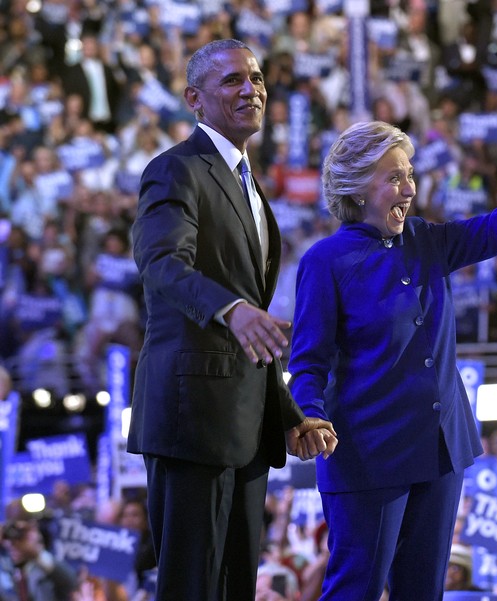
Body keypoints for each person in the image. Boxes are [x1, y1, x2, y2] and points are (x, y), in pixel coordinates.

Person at [288, 119, 497, 600]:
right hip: (366, 456)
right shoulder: (324, 261)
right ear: (356, 188)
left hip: (440, 451)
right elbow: (308, 360)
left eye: (410, 174)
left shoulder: (425, 240)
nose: (409, 188)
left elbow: (492, 231)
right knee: (357, 590)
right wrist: (309, 415)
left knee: (423, 591)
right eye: (393, 177)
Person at [127, 39, 338, 601]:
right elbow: (162, 263)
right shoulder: (175, 171)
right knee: (192, 587)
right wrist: (230, 307)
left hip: (246, 427)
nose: (251, 89)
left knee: (237, 587)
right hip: (190, 419)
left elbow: (255, 334)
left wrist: (288, 413)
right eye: (232, 81)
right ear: (195, 99)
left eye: (257, 78)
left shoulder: (250, 185)